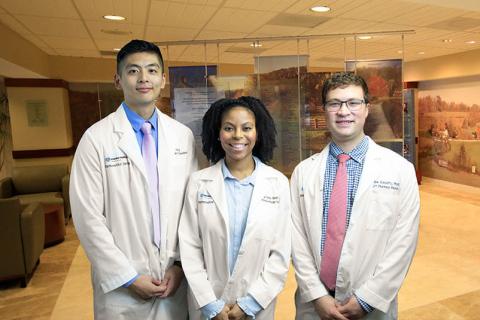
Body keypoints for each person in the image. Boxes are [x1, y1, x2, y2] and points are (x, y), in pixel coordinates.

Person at [70, 39, 197, 319]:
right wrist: (128, 277)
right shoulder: (96, 140)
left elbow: (192, 209)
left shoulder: (182, 137)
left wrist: (179, 266)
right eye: (133, 71)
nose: (143, 78)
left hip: (172, 281)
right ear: (117, 80)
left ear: (163, 79)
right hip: (122, 291)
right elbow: (88, 219)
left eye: (152, 70)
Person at [291, 72, 420, 320]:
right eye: (334, 103)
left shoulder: (400, 170)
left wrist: (368, 298)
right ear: (324, 109)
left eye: (353, 102)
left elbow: (404, 242)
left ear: (367, 108)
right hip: (315, 304)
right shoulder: (303, 172)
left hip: (372, 305)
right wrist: (317, 295)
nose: (343, 111)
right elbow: (297, 240)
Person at [179, 96, 291, 320]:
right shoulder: (199, 182)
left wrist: (250, 303)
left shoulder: (277, 183)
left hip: (257, 306)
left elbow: (281, 253)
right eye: (229, 128)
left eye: (246, 128)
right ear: (217, 133)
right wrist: (211, 304)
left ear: (257, 133)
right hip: (207, 306)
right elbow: (190, 247)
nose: (238, 135)